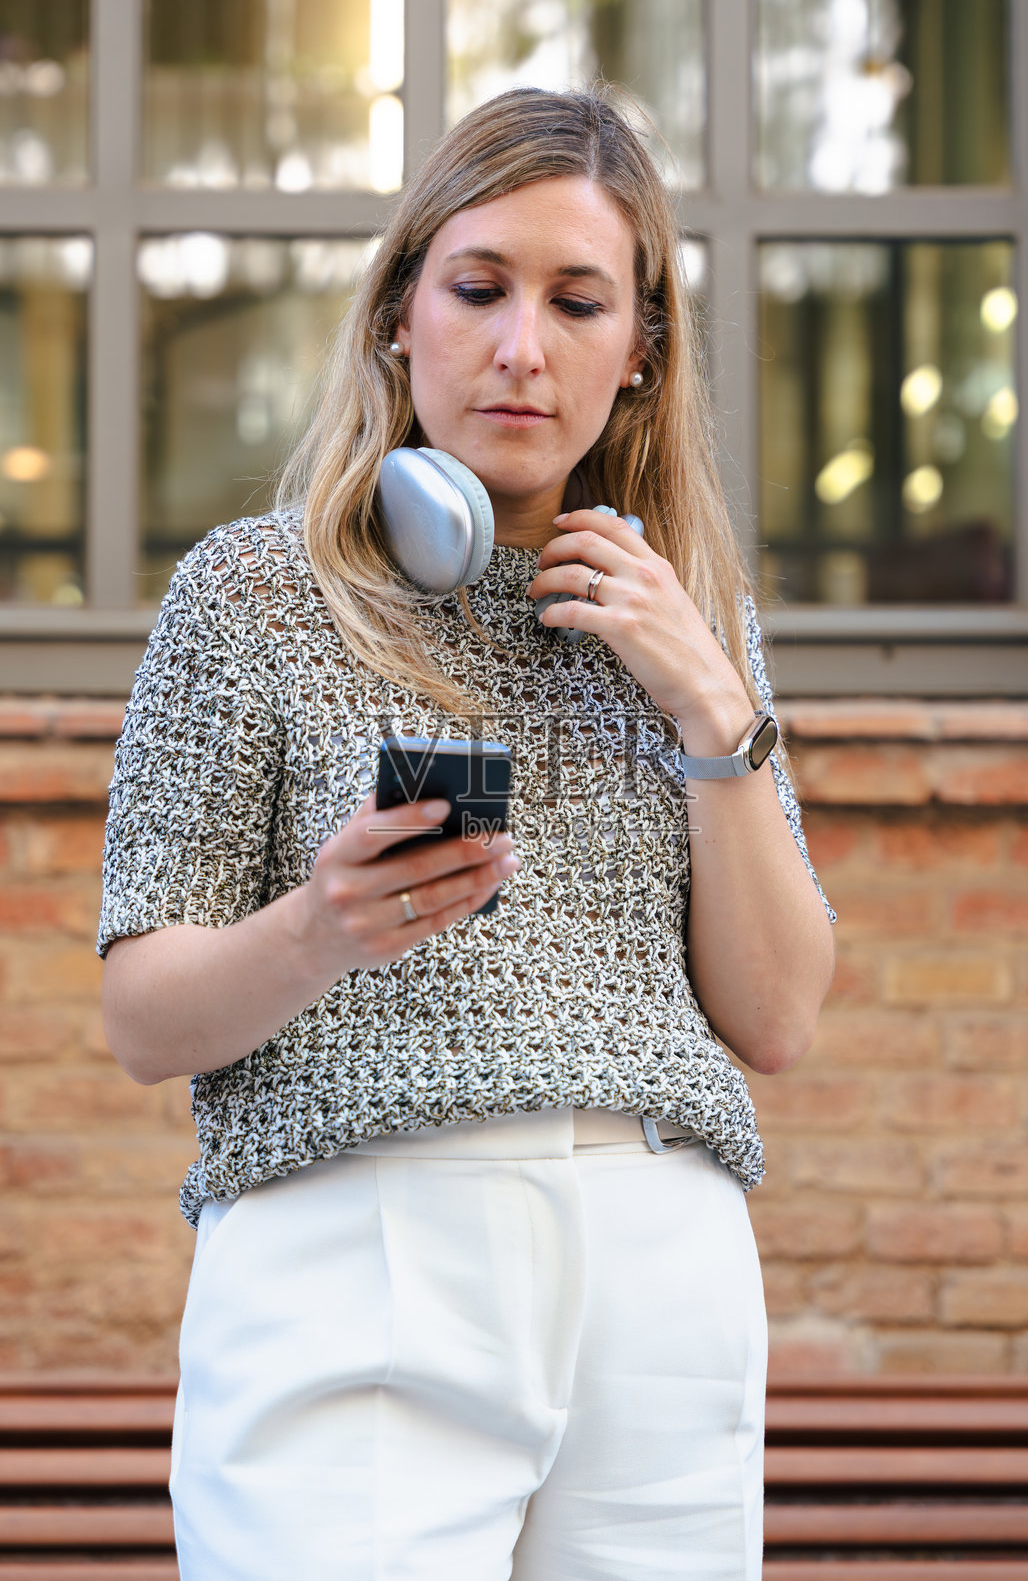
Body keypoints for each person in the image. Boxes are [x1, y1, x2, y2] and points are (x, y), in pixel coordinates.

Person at [99, 87, 835, 1581]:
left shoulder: (695, 622)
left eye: (578, 302)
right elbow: (139, 1017)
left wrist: (713, 709)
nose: (521, 348)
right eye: (478, 288)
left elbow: (778, 1014)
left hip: (663, 1264)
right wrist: (318, 928)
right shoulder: (252, 596)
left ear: (640, 354)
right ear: (398, 313)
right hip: (359, 1245)